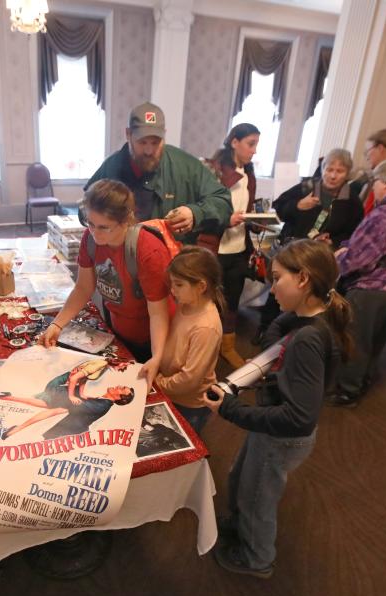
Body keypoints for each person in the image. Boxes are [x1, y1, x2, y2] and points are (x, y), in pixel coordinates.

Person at [203, 239, 353, 579]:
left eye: (277, 278)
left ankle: (257, 558)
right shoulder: (311, 317)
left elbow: (298, 418)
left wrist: (230, 410)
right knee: (242, 477)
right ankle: (240, 527)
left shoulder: (308, 340)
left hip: (283, 437)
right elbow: (275, 342)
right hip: (273, 428)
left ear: (302, 280)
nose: (271, 290)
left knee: (258, 497)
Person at [39, 179, 172, 384]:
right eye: (90, 224)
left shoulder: (148, 251)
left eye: (104, 227)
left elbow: (158, 313)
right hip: (118, 329)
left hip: (152, 339)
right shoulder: (90, 239)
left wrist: (157, 357)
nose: (95, 232)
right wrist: (58, 324)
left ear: (126, 220)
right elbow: (83, 288)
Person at [329, 158, 386, 407]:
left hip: (373, 288)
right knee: (376, 339)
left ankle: (348, 389)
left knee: (355, 339)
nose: (374, 186)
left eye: (376, 181)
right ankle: (363, 380)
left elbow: (360, 257)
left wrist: (338, 260)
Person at [85, 102, 232, 243]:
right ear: (128, 134)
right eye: (142, 142)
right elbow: (84, 206)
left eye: (155, 142)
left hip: (171, 262)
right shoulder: (112, 166)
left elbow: (223, 201)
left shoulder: (186, 166)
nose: (149, 151)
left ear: (164, 136)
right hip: (123, 260)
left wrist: (194, 213)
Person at [258, 149, 364, 341]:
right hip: (291, 250)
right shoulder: (307, 187)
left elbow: (354, 231)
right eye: (329, 169)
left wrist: (335, 241)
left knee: (306, 295)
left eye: (339, 171)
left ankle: (293, 334)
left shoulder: (352, 200)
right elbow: (278, 208)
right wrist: (298, 205)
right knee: (280, 289)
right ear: (322, 169)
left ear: (347, 173)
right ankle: (266, 329)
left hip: (317, 257)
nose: (332, 175)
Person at [155, 247, 224, 433]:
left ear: (201, 286)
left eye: (178, 285)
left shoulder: (206, 327)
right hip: (171, 390)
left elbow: (190, 379)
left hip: (189, 404)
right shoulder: (185, 303)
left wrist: (157, 383)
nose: (172, 290)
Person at [207, 123, 260, 367]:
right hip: (214, 248)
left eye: (256, 144)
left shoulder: (249, 173)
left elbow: (246, 209)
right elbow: (205, 209)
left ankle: (227, 347)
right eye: (251, 144)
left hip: (239, 248)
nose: (254, 150)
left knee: (232, 300)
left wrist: (257, 221)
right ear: (234, 142)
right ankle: (204, 347)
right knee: (207, 300)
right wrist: (225, 220)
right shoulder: (215, 171)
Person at [0, 381, 135, 440]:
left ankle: (14, 424)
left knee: (51, 406)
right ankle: (10, 404)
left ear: (119, 398)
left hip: (65, 434)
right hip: (63, 424)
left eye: (121, 389)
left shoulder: (103, 405)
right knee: (49, 407)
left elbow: (73, 405)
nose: (118, 386)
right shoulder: (101, 400)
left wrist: (66, 390)